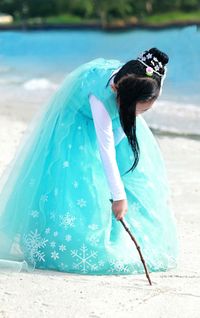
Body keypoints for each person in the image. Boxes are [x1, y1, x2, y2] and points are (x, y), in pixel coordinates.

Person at [0, 47, 178, 275]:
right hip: (78, 124)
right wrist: (118, 197)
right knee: (82, 181)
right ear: (122, 97)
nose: (140, 115)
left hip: (115, 118)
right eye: (139, 110)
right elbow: (105, 149)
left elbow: (119, 136)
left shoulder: (138, 78)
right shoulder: (100, 99)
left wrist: (126, 131)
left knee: (130, 167)